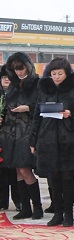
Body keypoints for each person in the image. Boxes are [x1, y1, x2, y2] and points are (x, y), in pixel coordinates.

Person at [29, 57, 74, 227]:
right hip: (48, 138)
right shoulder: (44, 88)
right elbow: (36, 115)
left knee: (67, 176)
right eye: (53, 73)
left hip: (69, 140)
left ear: (67, 73)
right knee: (53, 177)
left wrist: (71, 113)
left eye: (60, 73)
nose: (56, 77)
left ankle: (69, 214)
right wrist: (33, 139)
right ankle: (57, 212)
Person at [0, 52, 43, 220]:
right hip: (11, 133)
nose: (18, 72)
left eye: (21, 68)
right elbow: (8, 104)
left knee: (25, 168)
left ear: (28, 66)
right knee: (18, 169)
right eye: (15, 69)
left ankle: (37, 207)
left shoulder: (37, 84)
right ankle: (25, 207)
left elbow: (42, 106)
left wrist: (29, 108)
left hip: (28, 131)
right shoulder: (13, 85)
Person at [0, 64, 21, 212]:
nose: (6, 80)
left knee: (15, 170)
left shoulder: (19, 93)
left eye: (9, 77)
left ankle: (18, 200)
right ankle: (2, 201)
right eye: (4, 77)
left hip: (16, 136)